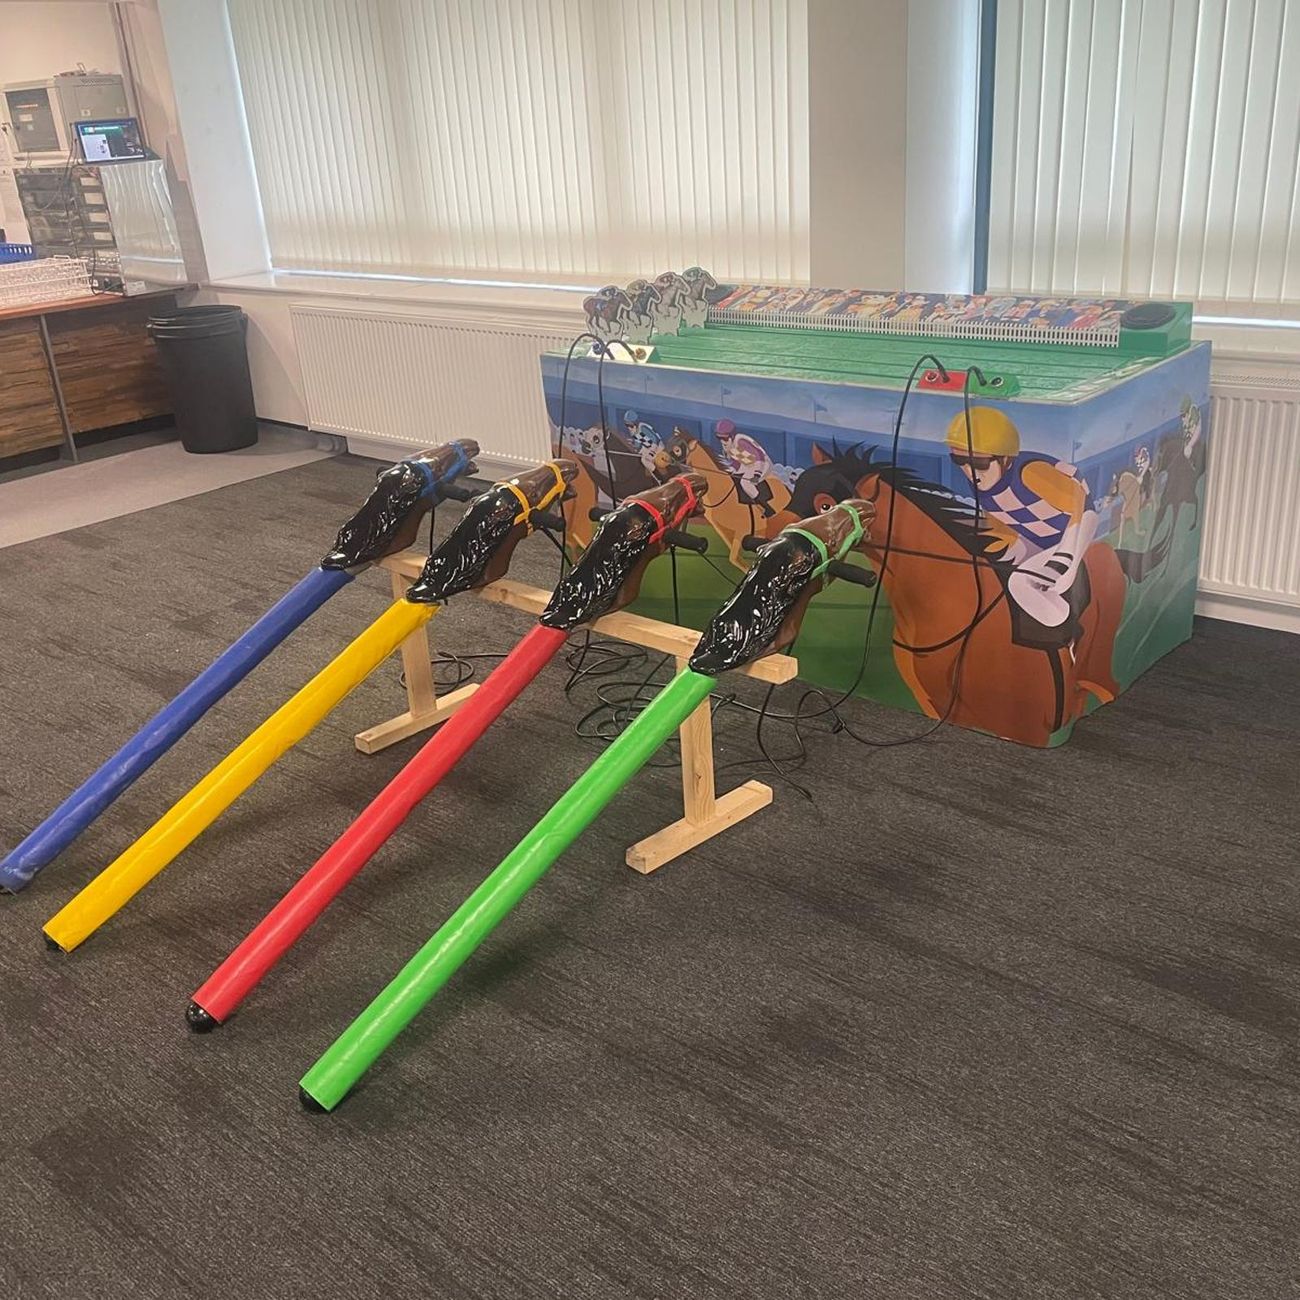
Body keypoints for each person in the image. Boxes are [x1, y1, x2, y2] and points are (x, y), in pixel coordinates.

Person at [947, 407, 1098, 631]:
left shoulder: (1030, 472)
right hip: (1038, 540)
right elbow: (1001, 525)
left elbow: (1077, 502)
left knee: (1022, 582)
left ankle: (1066, 629)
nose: (969, 470)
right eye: (959, 459)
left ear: (1005, 459)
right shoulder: (979, 485)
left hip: (1077, 525)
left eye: (980, 463)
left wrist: (1064, 556)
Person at [715, 419, 776, 518]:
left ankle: (767, 508)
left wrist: (757, 474)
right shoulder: (727, 447)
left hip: (761, 463)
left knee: (745, 483)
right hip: (747, 464)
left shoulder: (741, 441)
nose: (722, 441)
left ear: (732, 435)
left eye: (725, 438)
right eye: (719, 438)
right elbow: (736, 462)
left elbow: (758, 456)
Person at [623, 410, 663, 475]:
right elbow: (637, 444)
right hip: (647, 447)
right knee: (640, 456)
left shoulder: (642, 427)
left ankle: (657, 474)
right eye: (626, 425)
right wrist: (632, 443)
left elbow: (654, 439)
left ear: (635, 422)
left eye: (630, 425)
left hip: (657, 445)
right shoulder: (633, 432)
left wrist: (653, 451)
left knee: (645, 459)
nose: (629, 428)